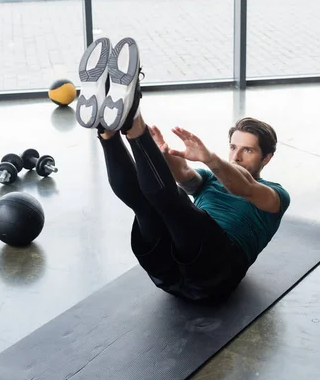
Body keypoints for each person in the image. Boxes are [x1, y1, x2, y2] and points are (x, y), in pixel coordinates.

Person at [76, 37, 290, 303]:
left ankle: (131, 116)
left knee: (174, 204)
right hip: (167, 273)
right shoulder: (211, 179)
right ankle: (108, 130)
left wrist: (210, 158)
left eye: (248, 150)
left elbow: (243, 186)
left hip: (216, 272)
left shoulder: (275, 196)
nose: (236, 156)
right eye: (233, 147)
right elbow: (184, 174)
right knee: (148, 205)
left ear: (267, 158)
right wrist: (161, 153)